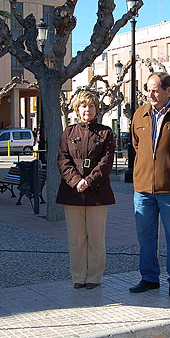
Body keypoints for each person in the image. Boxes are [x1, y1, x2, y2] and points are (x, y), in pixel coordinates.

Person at [129, 72, 170, 298]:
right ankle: (149, 278)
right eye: (148, 89)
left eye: (156, 89)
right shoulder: (139, 115)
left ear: (168, 90)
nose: (151, 94)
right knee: (146, 237)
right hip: (143, 189)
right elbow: (137, 146)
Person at [56, 91, 115, 289]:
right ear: (77, 109)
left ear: (96, 109)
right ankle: (78, 276)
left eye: (91, 106)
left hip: (98, 192)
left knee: (96, 238)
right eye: (83, 106)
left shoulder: (106, 133)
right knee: (76, 239)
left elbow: (106, 163)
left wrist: (88, 181)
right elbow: (63, 160)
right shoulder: (69, 133)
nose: (87, 110)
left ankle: (94, 277)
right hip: (73, 192)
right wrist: (76, 181)